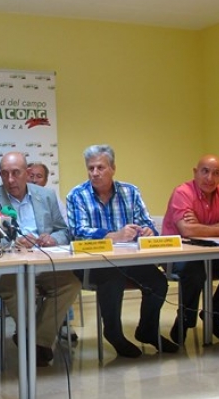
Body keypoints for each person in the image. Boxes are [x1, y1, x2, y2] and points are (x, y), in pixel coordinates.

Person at [66, 144, 178, 358]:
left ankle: (147, 330)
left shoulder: (130, 191)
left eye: (100, 167)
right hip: (94, 263)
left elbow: (147, 222)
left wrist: (148, 231)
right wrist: (114, 236)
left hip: (129, 259)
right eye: (90, 168)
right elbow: (78, 232)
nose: (95, 173)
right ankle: (114, 333)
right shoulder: (77, 195)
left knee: (158, 281)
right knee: (113, 278)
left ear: (113, 168)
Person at [0, 152, 81, 367]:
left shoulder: (47, 196)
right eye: (5, 174)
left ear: (27, 173)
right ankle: (36, 342)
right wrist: (12, 243)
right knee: (14, 288)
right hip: (11, 267)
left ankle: (37, 340)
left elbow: (63, 231)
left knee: (70, 284)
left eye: (16, 173)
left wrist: (52, 238)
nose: (10, 179)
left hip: (44, 263)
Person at [162, 155, 219, 344]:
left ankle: (215, 316)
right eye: (205, 171)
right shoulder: (182, 192)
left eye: (216, 173)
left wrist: (200, 226)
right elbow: (187, 231)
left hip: (210, 254)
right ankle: (184, 320)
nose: (210, 178)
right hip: (176, 253)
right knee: (195, 272)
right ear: (195, 172)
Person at [28, 161, 78, 343]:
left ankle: (63, 323)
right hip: (23, 257)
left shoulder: (51, 198)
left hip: (48, 254)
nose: (34, 180)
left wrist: (53, 238)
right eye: (31, 176)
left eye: (39, 176)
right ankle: (30, 328)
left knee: (64, 275)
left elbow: (65, 228)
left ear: (46, 180)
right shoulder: (14, 198)